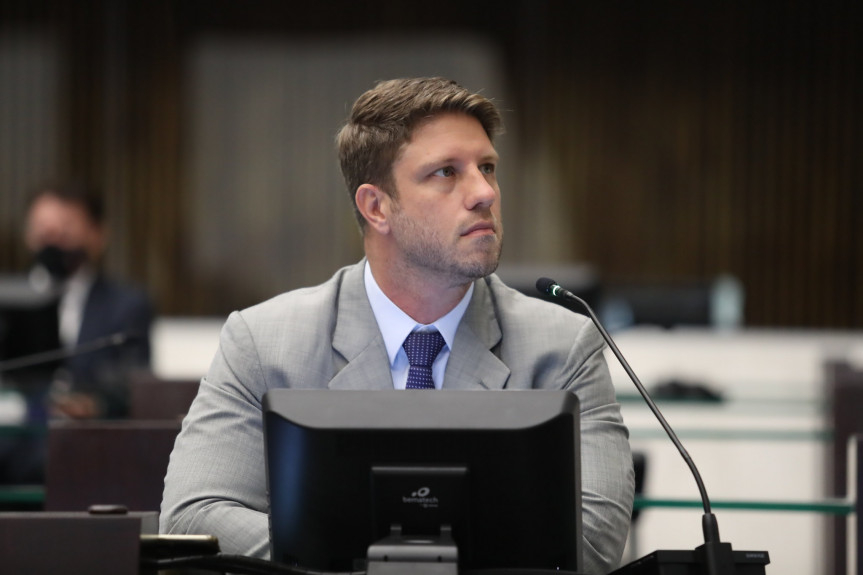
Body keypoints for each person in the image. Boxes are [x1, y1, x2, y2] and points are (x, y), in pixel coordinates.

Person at [160, 77, 634, 574]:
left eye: (487, 168)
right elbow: (194, 516)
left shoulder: (563, 344)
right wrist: (388, 561)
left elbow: (592, 542)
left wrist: (364, 556)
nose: (484, 193)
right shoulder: (263, 342)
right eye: (446, 172)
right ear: (376, 207)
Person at [22, 182, 153, 419]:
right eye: (42, 229)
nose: (52, 240)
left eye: (65, 228)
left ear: (97, 234)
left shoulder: (126, 306)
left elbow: (132, 386)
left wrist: (94, 404)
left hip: (88, 436)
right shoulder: (13, 300)